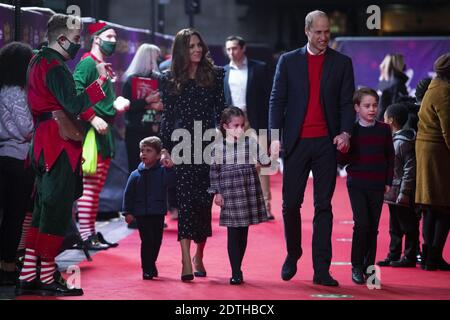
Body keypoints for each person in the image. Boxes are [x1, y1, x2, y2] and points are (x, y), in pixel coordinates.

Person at [16, 13, 110, 296]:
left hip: (44, 143)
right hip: (58, 144)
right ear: (61, 38)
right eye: (77, 38)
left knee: (42, 212)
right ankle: (46, 278)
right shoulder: (55, 66)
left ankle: (29, 274)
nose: (79, 43)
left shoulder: (37, 60)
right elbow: (75, 103)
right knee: (54, 213)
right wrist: (100, 83)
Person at [269, 10, 355, 286]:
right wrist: (273, 136)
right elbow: (276, 100)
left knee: (323, 206)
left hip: (326, 143)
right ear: (307, 31)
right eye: (318, 32)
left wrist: (345, 132)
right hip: (295, 142)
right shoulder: (288, 61)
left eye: (327, 31)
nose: (323, 37)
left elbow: (345, 103)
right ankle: (293, 253)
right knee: (290, 204)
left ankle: (321, 269)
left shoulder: (342, 63)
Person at [160, 28, 226, 281]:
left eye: (199, 44)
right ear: (181, 50)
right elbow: (167, 116)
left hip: (208, 144)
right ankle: (186, 259)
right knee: (186, 202)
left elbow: (221, 111)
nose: (197, 49)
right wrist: (165, 147)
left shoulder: (216, 75)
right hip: (181, 145)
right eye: (191, 46)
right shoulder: (169, 78)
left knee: (202, 204)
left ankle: (199, 254)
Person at [73, 22, 129, 250]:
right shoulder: (87, 64)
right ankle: (86, 236)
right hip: (90, 134)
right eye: (109, 36)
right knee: (89, 187)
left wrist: (116, 106)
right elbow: (76, 96)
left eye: (115, 36)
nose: (113, 40)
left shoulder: (102, 65)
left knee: (95, 189)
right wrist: (91, 117)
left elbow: (100, 99)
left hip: (103, 132)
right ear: (96, 38)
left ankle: (90, 233)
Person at [339, 88, 394, 285]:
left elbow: (390, 156)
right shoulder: (351, 131)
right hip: (357, 184)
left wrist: (388, 181)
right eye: (367, 105)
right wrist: (342, 147)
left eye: (375, 105)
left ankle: (369, 269)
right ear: (356, 107)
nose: (372, 109)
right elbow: (342, 160)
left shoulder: (384, 129)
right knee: (362, 225)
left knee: (373, 228)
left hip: (378, 184)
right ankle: (356, 266)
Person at [209, 107, 269, 285]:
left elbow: (265, 160)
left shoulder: (250, 143)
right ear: (225, 126)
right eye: (236, 126)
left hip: (247, 191)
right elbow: (214, 172)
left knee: (243, 232)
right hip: (230, 193)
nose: (240, 130)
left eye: (242, 126)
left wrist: (273, 151)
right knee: (233, 233)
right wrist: (217, 192)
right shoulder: (217, 148)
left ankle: (238, 266)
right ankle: (235, 271)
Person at [223, 35, 274, 220]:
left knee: (262, 164)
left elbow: (269, 98)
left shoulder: (259, 68)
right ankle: (237, 204)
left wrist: (270, 127)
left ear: (243, 48)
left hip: (255, 120)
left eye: (235, 48)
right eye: (228, 49)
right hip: (232, 123)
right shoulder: (223, 72)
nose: (231, 52)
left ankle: (266, 207)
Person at [0, 42, 34, 286]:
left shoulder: (5, 89)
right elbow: (26, 129)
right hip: (16, 157)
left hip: (8, 155)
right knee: (15, 214)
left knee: (11, 214)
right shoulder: (15, 92)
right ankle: (8, 264)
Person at [122, 137, 175, 280]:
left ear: (158, 155)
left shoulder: (163, 172)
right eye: (142, 151)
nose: (144, 154)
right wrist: (127, 212)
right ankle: (147, 268)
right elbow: (128, 194)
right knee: (147, 241)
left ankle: (151, 263)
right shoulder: (135, 175)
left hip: (157, 213)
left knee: (157, 241)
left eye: (148, 151)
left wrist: (170, 167)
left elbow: (171, 183)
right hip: (141, 214)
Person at [415, 53, 450, 271]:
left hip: (427, 150)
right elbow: (449, 128)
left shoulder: (433, 86)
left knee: (430, 206)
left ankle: (428, 254)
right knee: (445, 206)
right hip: (438, 153)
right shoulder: (445, 91)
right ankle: (434, 256)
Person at [377, 103, 418, 268]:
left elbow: (409, 170)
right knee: (394, 225)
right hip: (393, 191)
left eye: (385, 117)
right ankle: (393, 254)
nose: (383, 119)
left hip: (402, 191)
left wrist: (404, 192)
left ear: (391, 120)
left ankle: (409, 256)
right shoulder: (393, 140)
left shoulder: (403, 142)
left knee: (408, 224)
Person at [122, 44, 164, 174]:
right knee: (135, 168)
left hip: (154, 130)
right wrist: (146, 101)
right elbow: (127, 106)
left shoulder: (160, 79)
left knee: (155, 170)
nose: (158, 61)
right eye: (156, 58)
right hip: (135, 131)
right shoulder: (130, 80)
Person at [377, 53, 409, 121]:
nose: (404, 65)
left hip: (382, 121)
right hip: (391, 123)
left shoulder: (383, 82)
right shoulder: (397, 84)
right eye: (402, 62)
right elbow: (398, 107)